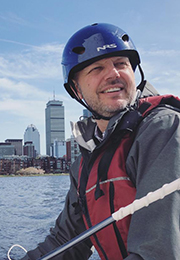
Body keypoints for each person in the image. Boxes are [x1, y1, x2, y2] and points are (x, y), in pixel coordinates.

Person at [21, 23, 180, 260]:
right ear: (76, 89)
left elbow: (157, 252)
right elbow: (66, 242)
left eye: (121, 64)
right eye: (96, 68)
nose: (113, 74)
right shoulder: (85, 162)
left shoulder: (163, 129)